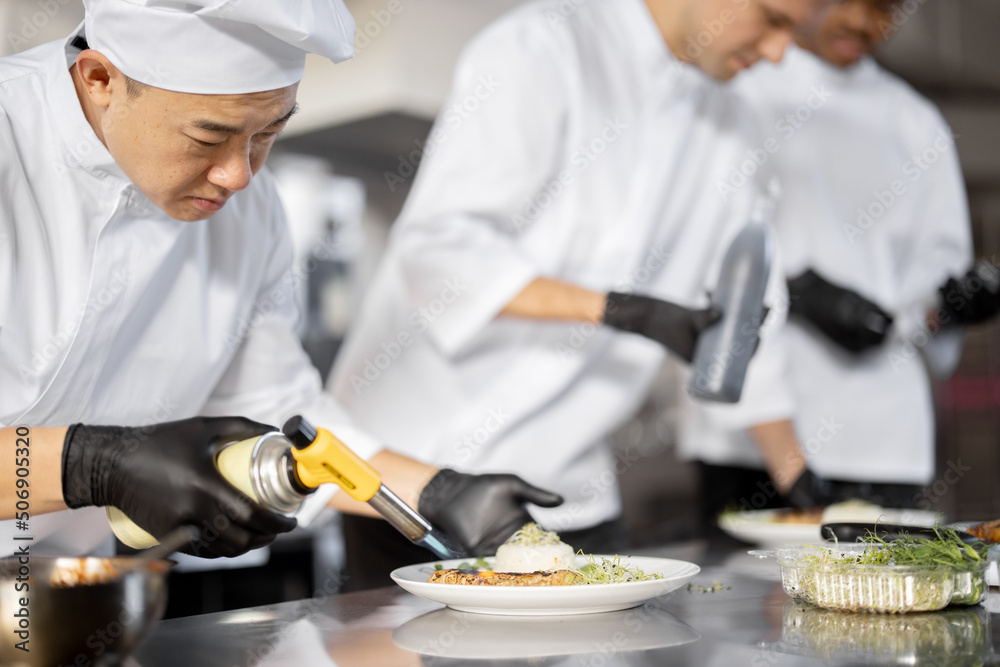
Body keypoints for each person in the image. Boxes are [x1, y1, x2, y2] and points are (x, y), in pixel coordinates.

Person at [0, 0, 559, 561]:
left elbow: (278, 405)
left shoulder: (251, 211)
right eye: (206, 136)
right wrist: (89, 464)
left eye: (266, 135)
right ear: (101, 79)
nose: (238, 175)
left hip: (68, 586)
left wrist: (434, 491)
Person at [328, 0, 836, 589]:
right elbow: (441, 250)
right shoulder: (542, 47)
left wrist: (800, 482)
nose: (778, 53)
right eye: (772, 19)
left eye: (794, 33)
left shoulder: (734, 124)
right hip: (419, 474)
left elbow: (748, 313)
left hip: (571, 479)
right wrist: (619, 310)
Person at [678, 0, 987, 522]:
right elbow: (699, 252)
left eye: (885, 9)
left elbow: (933, 279)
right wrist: (793, 294)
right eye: (846, 2)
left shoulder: (916, 120)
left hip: (882, 435)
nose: (863, 24)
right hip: (748, 441)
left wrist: (947, 307)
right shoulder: (738, 85)